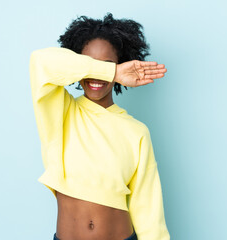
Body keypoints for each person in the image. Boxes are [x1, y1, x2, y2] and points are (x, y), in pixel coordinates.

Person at [29, 13, 170, 240]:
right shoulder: (60, 111)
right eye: (90, 65)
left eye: (107, 64)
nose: (96, 74)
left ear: (122, 65)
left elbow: (149, 212)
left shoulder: (136, 132)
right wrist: (110, 71)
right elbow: (40, 61)